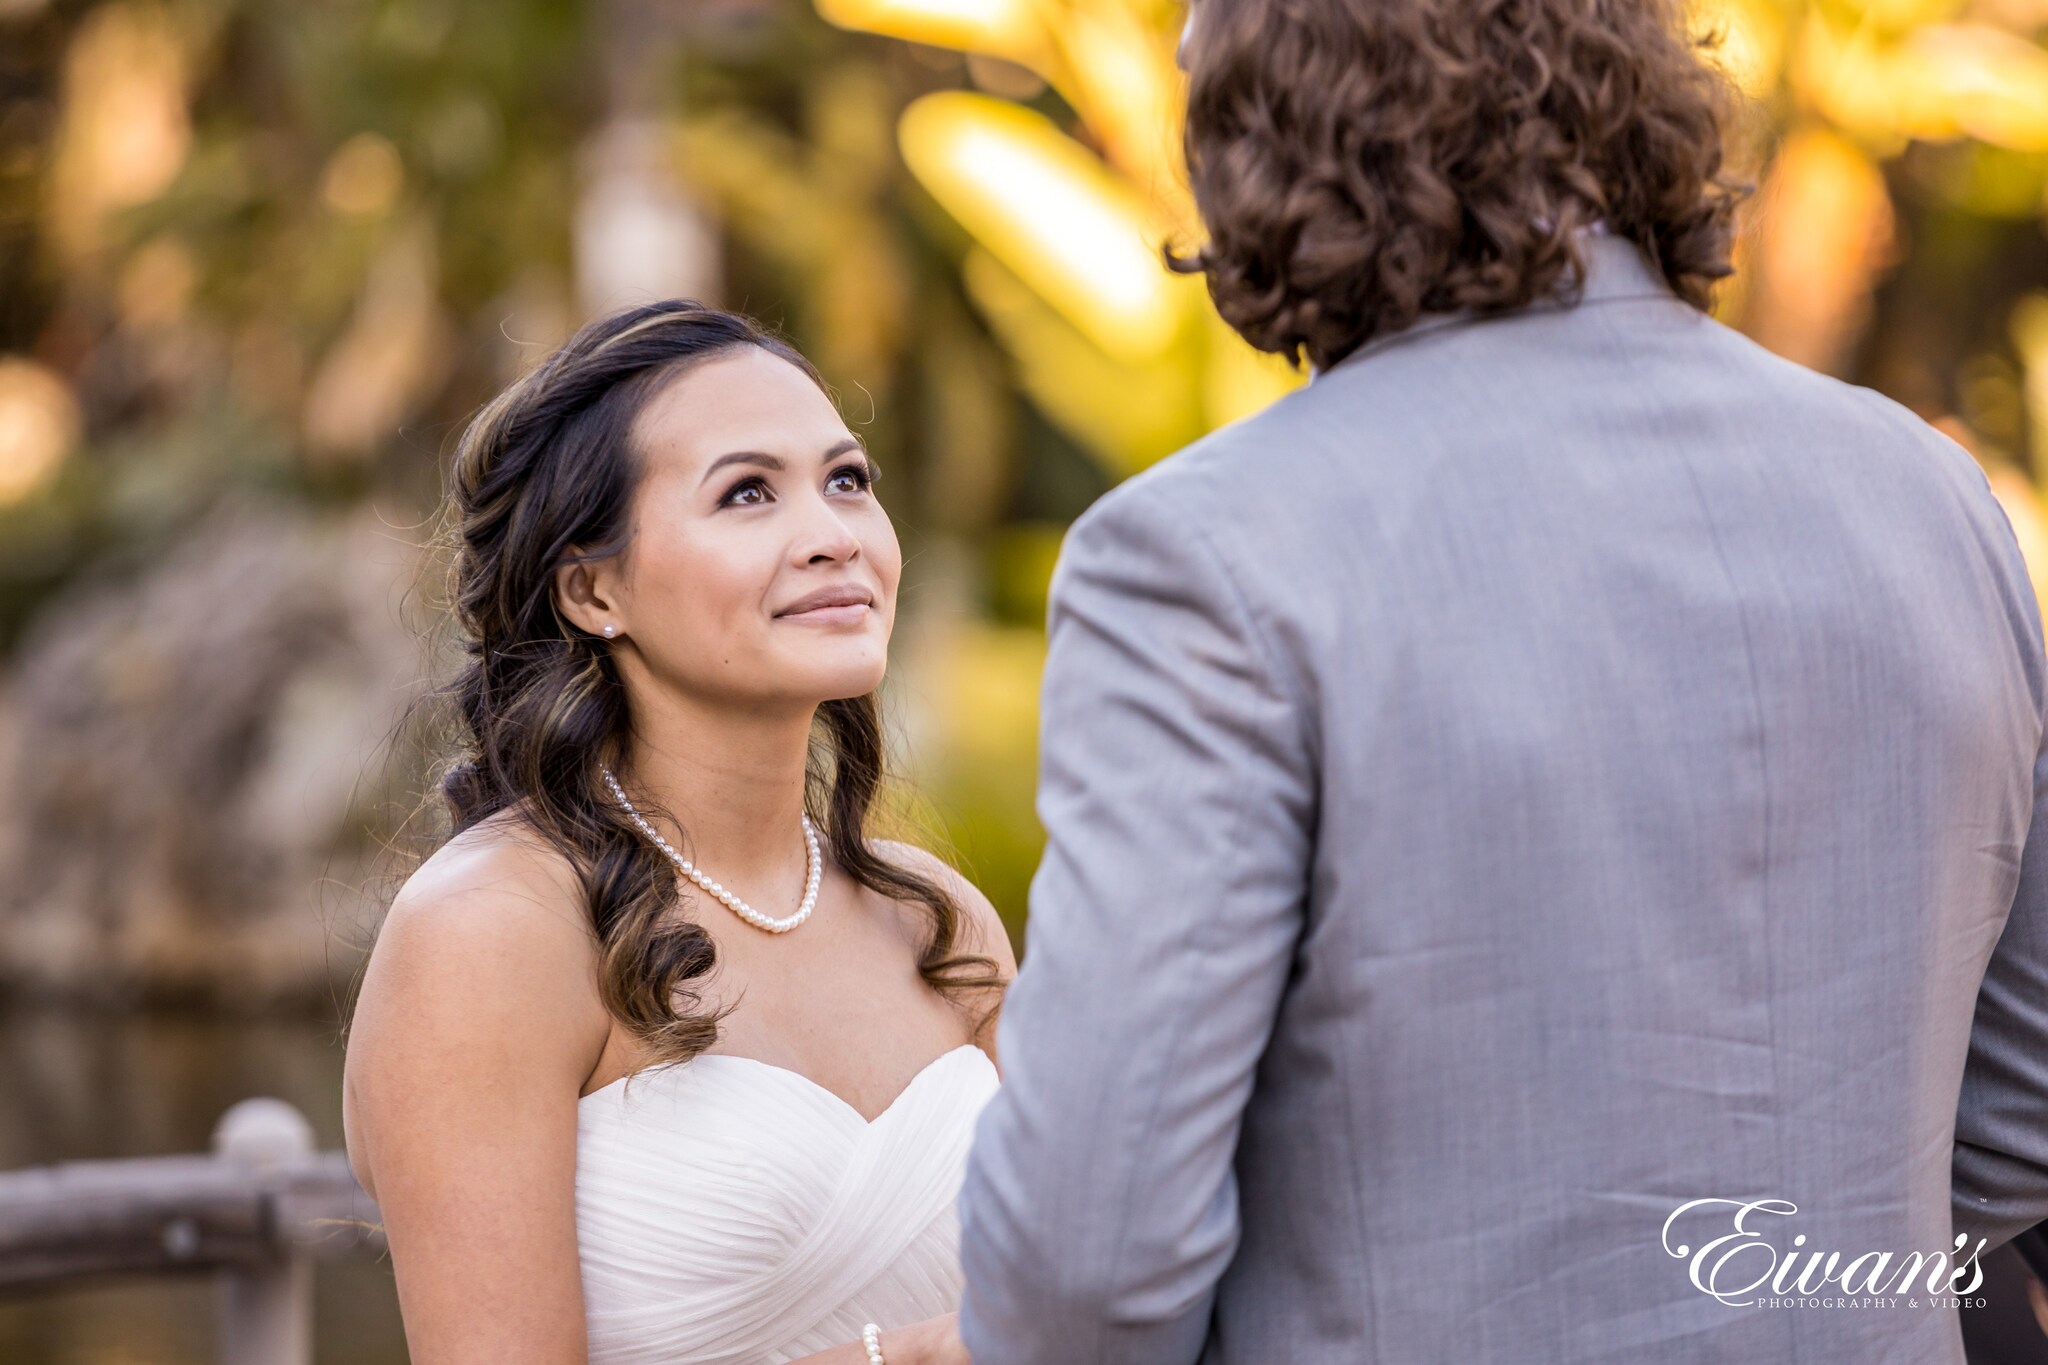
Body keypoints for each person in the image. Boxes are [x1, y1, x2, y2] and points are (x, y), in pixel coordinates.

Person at [954, 0, 2048, 1360]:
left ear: (1271, 136)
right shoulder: (1933, 499)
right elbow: (2019, 1118)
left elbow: (1086, 1269)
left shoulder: (1207, 556)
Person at [342, 302, 1012, 1365]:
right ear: (593, 588)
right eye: (747, 493)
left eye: (848, 480)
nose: (834, 534)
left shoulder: (936, 923)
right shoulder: (489, 934)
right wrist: (913, 1358)